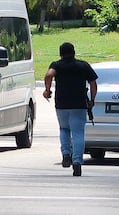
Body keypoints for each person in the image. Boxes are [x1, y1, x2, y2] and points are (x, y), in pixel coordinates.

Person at [43, 42, 98, 176]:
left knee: (64, 129)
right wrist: (92, 100)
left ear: (60, 53)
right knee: (78, 133)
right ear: (74, 52)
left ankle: (66, 154)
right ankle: (77, 162)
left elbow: (49, 75)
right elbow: (93, 83)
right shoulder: (83, 65)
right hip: (79, 104)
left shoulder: (56, 65)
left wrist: (47, 90)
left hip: (61, 104)